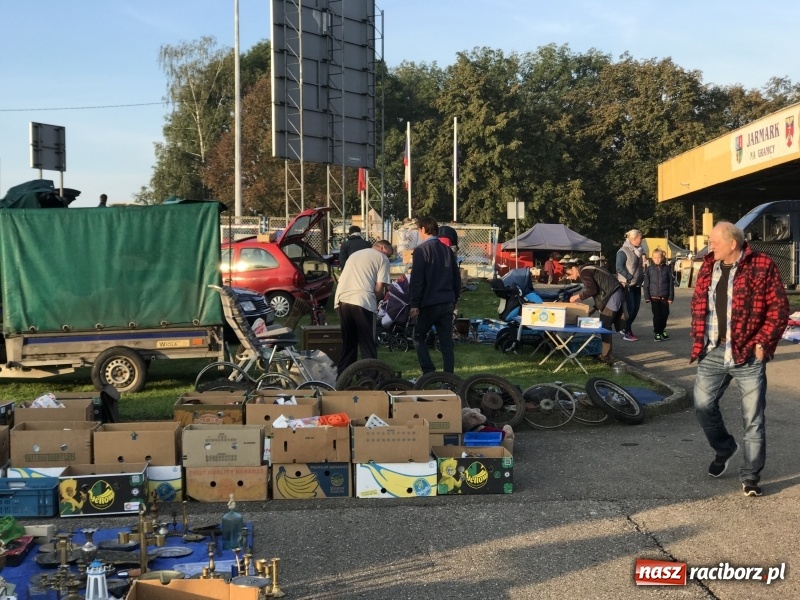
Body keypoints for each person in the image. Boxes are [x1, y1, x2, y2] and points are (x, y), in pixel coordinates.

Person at [690, 221, 788, 497]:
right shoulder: (709, 265)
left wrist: (764, 342)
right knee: (702, 405)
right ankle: (725, 447)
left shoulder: (762, 265)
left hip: (747, 352)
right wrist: (698, 336)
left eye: (714, 242)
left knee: (753, 419)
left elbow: (779, 307)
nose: (710, 246)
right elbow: (700, 302)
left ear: (733, 243)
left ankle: (751, 476)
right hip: (712, 350)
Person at [409, 216, 461, 374]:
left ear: (423, 229)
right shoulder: (447, 251)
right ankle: (449, 376)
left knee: (418, 336)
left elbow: (417, 279)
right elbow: (456, 278)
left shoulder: (420, 250)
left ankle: (428, 371)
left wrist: (414, 304)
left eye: (418, 230)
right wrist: (455, 299)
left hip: (429, 302)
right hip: (447, 301)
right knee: (446, 342)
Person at [334, 239, 394, 374]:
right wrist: (377, 300)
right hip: (363, 301)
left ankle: (343, 379)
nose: (388, 258)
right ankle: (370, 380)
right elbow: (379, 288)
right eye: (389, 254)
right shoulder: (382, 258)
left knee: (349, 345)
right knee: (367, 344)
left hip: (342, 299)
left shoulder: (355, 255)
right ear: (382, 248)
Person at [565, 261, 624, 365]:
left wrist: (577, 296)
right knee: (605, 324)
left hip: (612, 295)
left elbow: (592, 290)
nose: (570, 277)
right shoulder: (589, 268)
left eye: (569, 274)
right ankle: (605, 354)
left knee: (605, 325)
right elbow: (600, 290)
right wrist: (594, 308)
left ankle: (606, 357)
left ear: (574, 269)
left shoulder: (584, 272)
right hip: (613, 293)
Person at [616, 229, 645, 341]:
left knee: (636, 309)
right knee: (630, 309)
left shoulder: (638, 251)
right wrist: (629, 277)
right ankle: (627, 332)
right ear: (633, 239)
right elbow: (619, 267)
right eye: (640, 238)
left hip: (637, 285)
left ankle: (625, 327)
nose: (641, 240)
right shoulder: (623, 251)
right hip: (627, 285)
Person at [643, 249, 675, 342]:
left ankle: (662, 329)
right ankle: (657, 332)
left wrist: (670, 297)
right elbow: (646, 284)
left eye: (659, 257)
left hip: (665, 296)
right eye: (655, 258)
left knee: (665, 314)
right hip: (654, 297)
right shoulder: (649, 269)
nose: (657, 259)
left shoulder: (667, 268)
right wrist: (647, 296)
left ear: (663, 257)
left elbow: (670, 284)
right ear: (652, 258)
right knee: (657, 315)